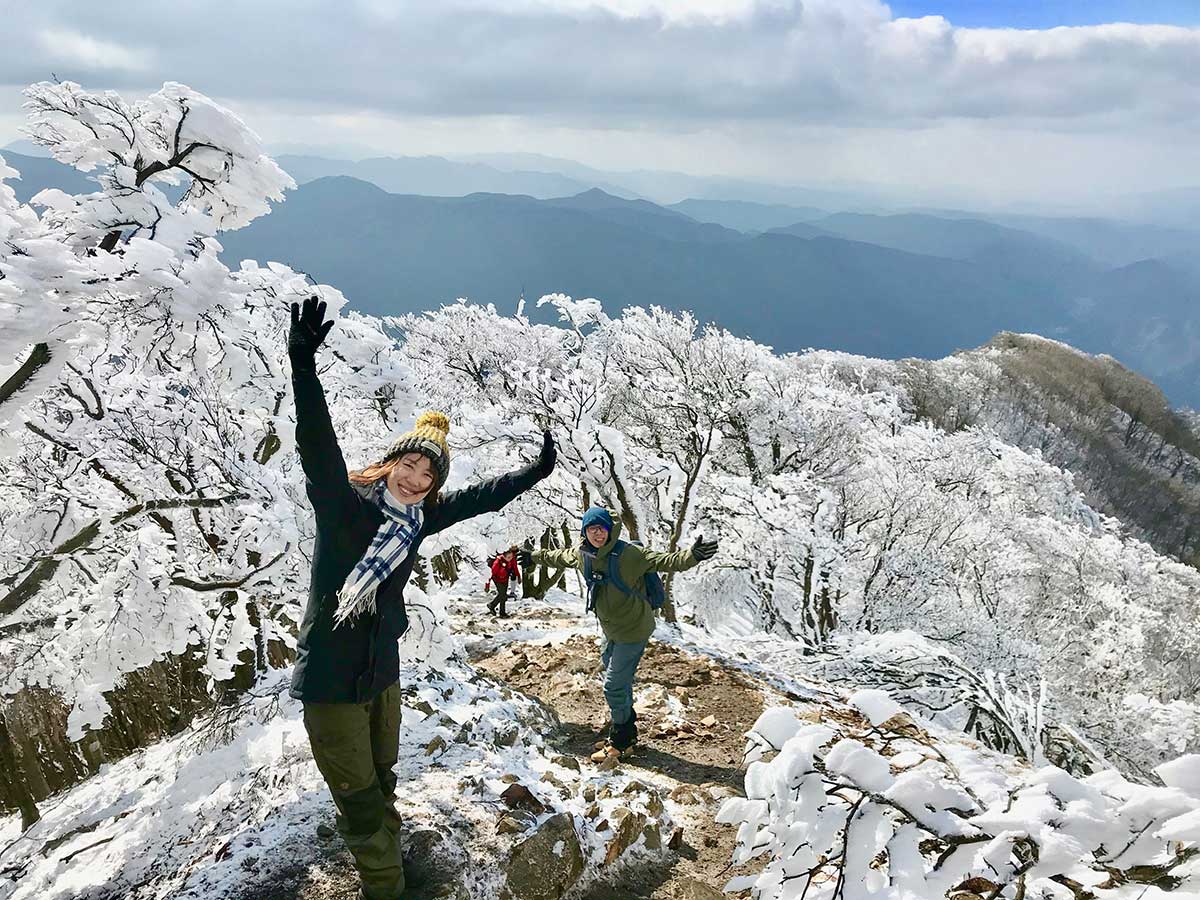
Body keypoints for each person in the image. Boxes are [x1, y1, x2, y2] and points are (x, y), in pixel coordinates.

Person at [287, 296, 556, 900]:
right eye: (408, 464)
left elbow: (482, 498)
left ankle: (392, 868)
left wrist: (534, 473)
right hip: (331, 685)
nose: (415, 478)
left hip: (381, 677)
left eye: (428, 473)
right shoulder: (345, 511)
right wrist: (304, 366)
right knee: (360, 805)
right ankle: (387, 886)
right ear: (389, 463)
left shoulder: (416, 522)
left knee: (382, 784)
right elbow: (317, 447)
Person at [520, 507, 717, 761]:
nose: (597, 534)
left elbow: (665, 561)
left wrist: (692, 556)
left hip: (634, 630)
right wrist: (533, 556)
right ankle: (626, 731)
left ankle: (621, 741)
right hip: (609, 629)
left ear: (609, 529)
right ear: (585, 532)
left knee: (613, 686)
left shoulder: (629, 554)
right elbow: (558, 556)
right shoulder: (584, 554)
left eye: (601, 528)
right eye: (592, 529)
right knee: (618, 684)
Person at [485, 546, 521, 618]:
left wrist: (518, 576)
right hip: (497, 580)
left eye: (511, 557)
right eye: (509, 557)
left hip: (505, 578)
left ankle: (500, 611)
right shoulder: (498, 562)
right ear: (504, 556)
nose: (510, 559)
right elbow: (490, 574)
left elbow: (515, 567)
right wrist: (487, 585)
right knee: (502, 595)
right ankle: (494, 606)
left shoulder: (512, 559)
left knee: (503, 596)